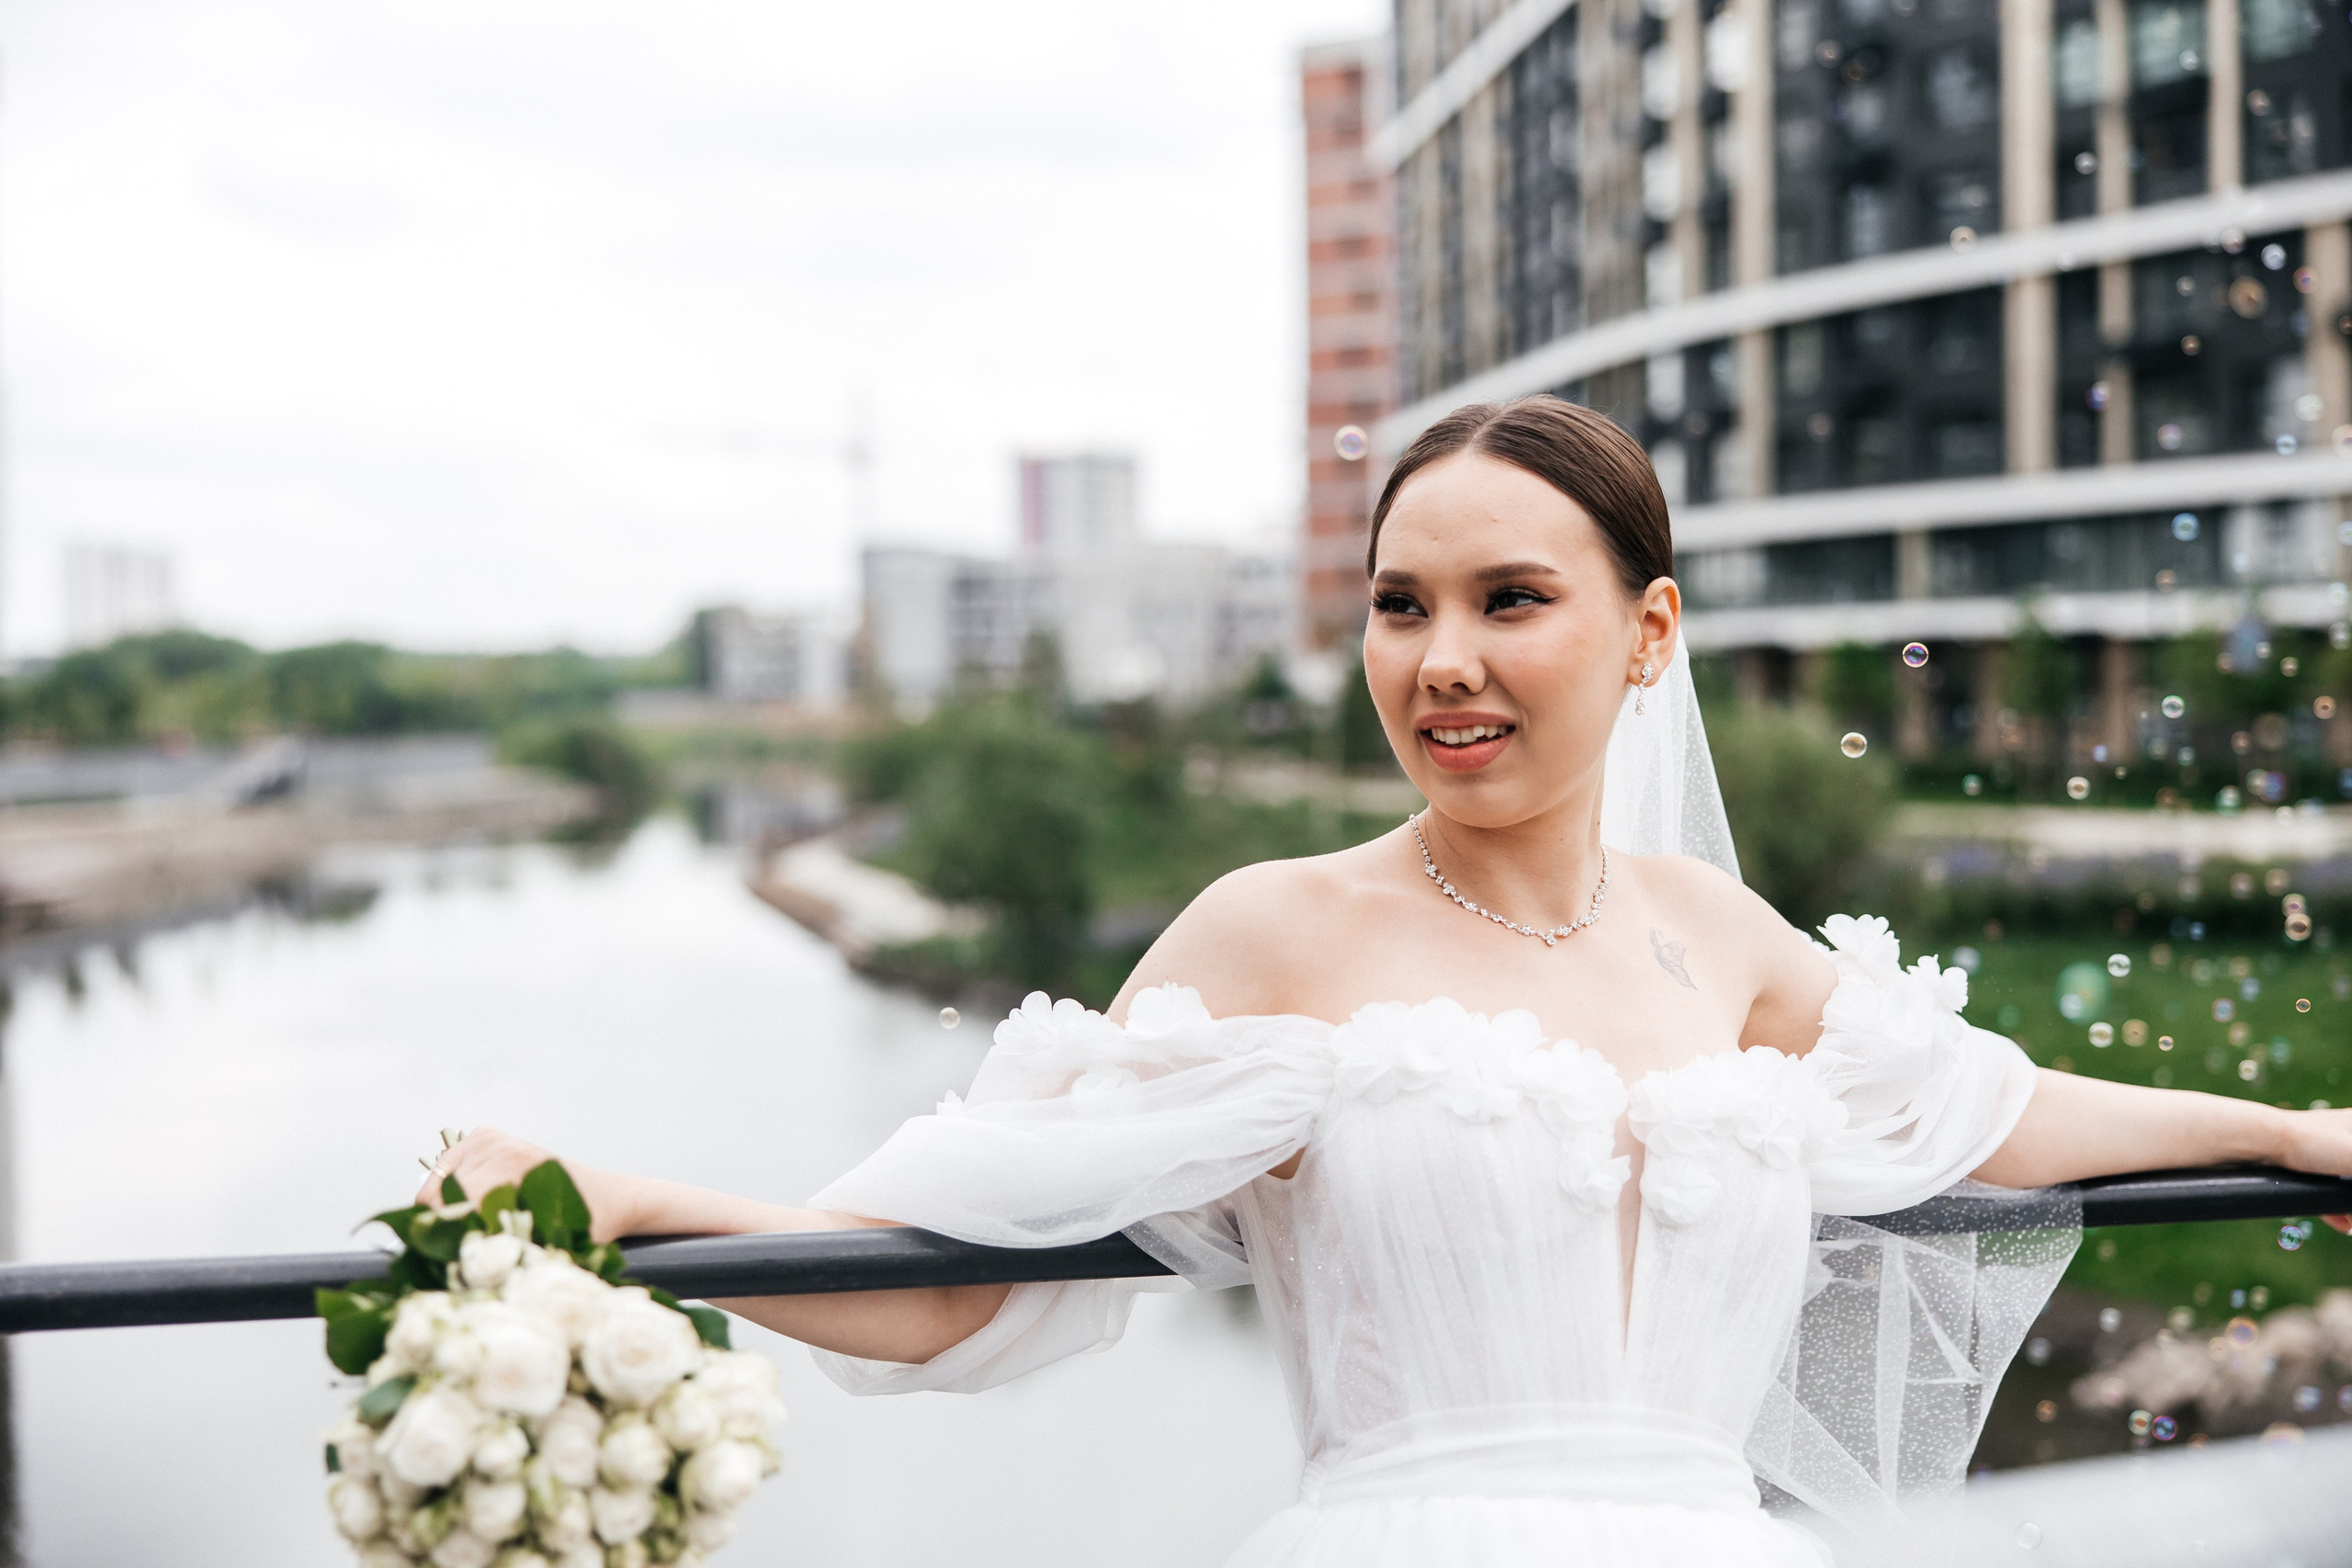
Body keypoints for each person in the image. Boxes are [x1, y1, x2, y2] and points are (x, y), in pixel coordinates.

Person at [425, 396, 2352, 1565]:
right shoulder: (1274, 930)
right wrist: (630, 1204)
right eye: (1399, 604)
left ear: (1646, 633)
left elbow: (1995, 1111)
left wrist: (2282, 1131)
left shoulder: (1720, 936)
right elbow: (950, 1277)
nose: (1443, 660)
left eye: (1511, 600)